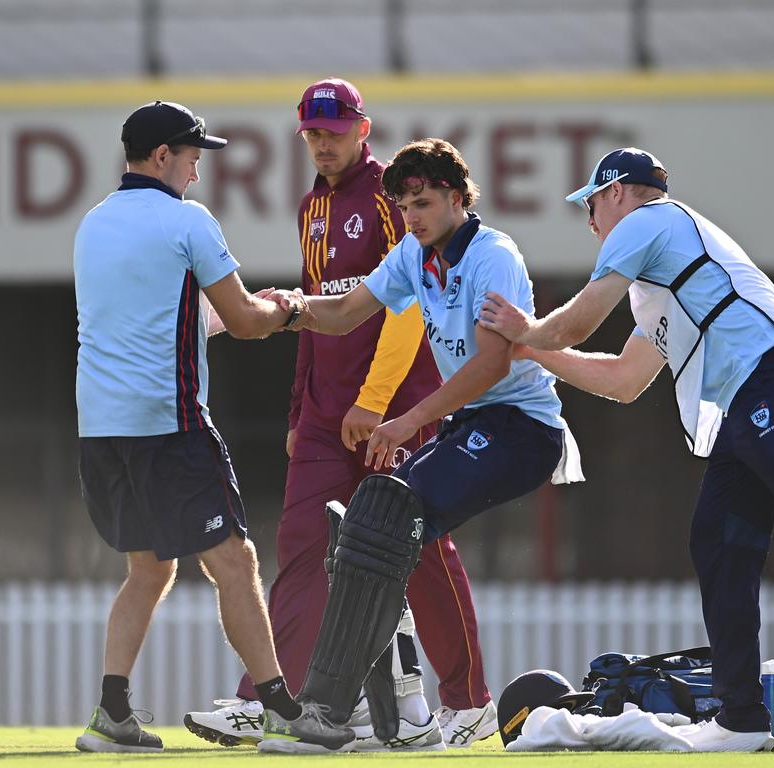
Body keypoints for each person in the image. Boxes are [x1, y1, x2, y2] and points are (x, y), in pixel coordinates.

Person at [478, 146, 774, 752]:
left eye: (592, 204)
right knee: (718, 545)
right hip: (745, 399)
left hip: (772, 373)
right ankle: (742, 717)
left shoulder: (650, 221)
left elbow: (574, 324)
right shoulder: (661, 271)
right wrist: (536, 351)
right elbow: (625, 381)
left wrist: (526, 332)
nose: (591, 220)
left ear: (619, 191)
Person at [183, 78, 497, 752]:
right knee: (299, 547)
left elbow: (408, 303)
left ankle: (468, 704)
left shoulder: (392, 196)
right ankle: (268, 702)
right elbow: (313, 312)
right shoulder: (310, 206)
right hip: (329, 417)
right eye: (312, 134)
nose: (322, 145)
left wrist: (376, 403)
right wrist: (302, 410)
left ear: (363, 129)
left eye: (334, 131)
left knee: (416, 550)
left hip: (395, 408)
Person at [255, 137, 582, 753]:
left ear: (458, 199)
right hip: (473, 425)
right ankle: (401, 717)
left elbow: (492, 366)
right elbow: (349, 311)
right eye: (404, 204)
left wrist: (406, 421)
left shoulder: (493, 256)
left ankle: (337, 712)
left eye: (424, 202)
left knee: (387, 517)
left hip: (521, 428)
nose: (412, 215)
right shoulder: (413, 252)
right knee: (367, 529)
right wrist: (286, 310)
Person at [72, 100, 308, 753]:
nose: (196, 174)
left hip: (100, 429)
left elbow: (156, 319)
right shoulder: (187, 221)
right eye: (192, 159)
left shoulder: (92, 224)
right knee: (236, 560)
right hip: (167, 425)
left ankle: (110, 715)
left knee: (148, 571)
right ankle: (281, 709)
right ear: (161, 157)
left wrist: (230, 318)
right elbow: (245, 316)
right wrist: (293, 309)